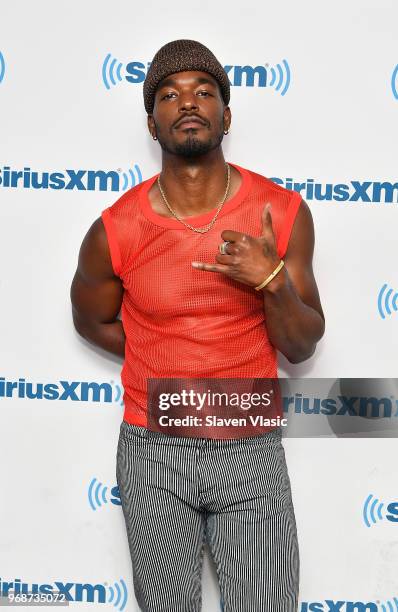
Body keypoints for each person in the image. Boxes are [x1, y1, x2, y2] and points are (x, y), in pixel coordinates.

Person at [70, 39, 324, 612]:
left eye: (204, 92)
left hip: (247, 439)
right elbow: (90, 319)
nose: (188, 103)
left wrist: (273, 280)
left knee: (265, 604)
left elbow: (304, 345)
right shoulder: (115, 228)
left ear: (226, 116)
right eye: (169, 94)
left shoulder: (279, 213)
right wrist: (164, 359)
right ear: (152, 123)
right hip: (153, 448)